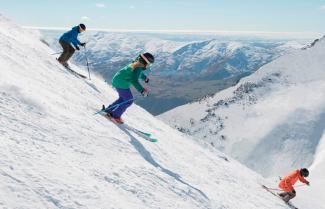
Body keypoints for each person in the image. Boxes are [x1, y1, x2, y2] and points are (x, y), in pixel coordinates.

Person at [103, 53, 155, 124]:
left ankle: (109, 110)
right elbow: (134, 80)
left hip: (118, 80)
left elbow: (138, 74)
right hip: (121, 82)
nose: (148, 66)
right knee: (129, 100)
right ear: (145, 62)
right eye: (149, 64)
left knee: (123, 99)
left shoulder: (136, 64)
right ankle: (115, 115)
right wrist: (142, 90)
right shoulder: (138, 67)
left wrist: (144, 78)